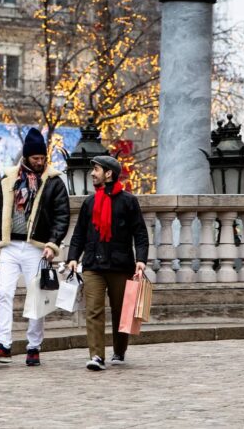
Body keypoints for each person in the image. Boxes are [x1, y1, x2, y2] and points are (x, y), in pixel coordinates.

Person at [0, 127, 70, 366]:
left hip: (36, 247)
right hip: (10, 245)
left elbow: (62, 216)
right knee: (4, 293)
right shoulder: (9, 179)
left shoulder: (53, 182)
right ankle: (3, 344)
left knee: (37, 297)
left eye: (42, 158)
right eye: (35, 158)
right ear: (26, 157)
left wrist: (53, 243)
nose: (39, 162)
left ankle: (33, 346)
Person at [66, 155, 149, 371]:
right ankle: (96, 356)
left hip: (120, 265)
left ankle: (119, 350)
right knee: (94, 310)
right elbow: (79, 234)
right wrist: (73, 257)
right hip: (93, 265)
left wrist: (141, 260)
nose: (92, 173)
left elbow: (140, 233)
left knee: (121, 311)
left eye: (96, 169)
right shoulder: (89, 202)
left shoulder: (128, 201)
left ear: (109, 173)